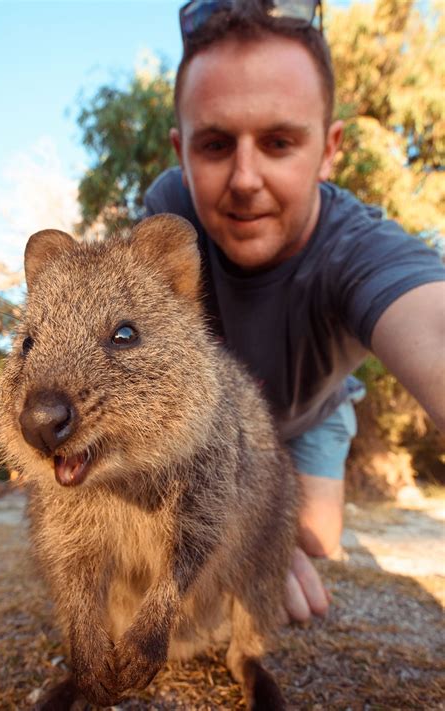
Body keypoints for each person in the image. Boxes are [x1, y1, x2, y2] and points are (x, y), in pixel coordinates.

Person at [143, 0, 445, 622]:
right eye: (217, 145)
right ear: (182, 151)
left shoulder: (359, 248)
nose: (246, 178)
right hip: (216, 429)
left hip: (312, 415)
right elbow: (133, 381)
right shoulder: (167, 219)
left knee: (313, 547)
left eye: (279, 142)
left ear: (329, 150)